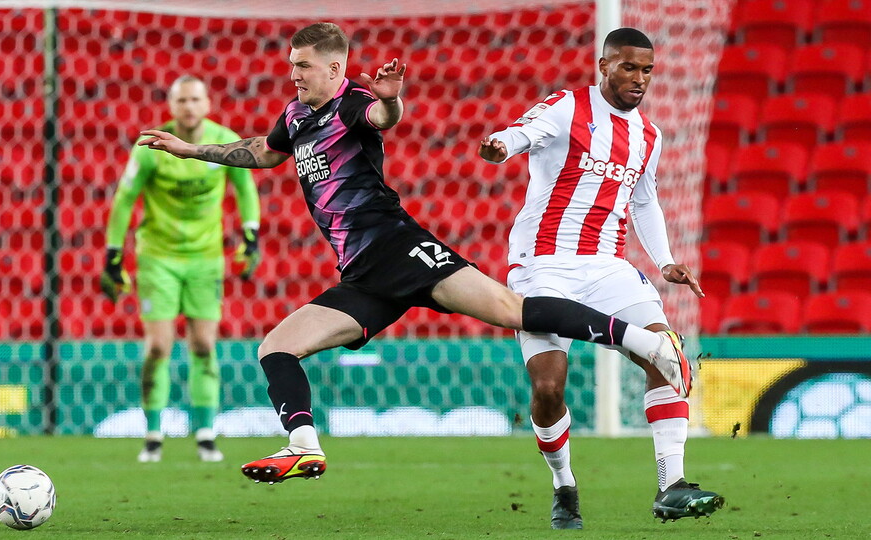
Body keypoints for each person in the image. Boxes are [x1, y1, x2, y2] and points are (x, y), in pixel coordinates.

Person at [138, 22, 691, 485]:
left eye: (303, 66)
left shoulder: (353, 102)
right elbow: (261, 152)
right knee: (276, 349)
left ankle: (642, 342)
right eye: (292, 65)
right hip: (362, 275)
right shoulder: (296, 116)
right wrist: (189, 150)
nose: (294, 74)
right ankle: (303, 444)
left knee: (511, 310)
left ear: (334, 69)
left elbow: (384, 119)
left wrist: (391, 98)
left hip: (399, 247)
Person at [478, 28, 723, 528]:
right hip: (543, 264)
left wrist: (666, 261)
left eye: (647, 70)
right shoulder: (568, 106)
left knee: (668, 356)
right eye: (628, 67)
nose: (639, 79)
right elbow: (523, 132)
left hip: (608, 265)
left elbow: (645, 200)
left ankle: (671, 485)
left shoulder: (648, 135)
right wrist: (501, 146)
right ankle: (564, 483)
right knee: (548, 388)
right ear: (603, 65)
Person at [101, 75, 261, 463]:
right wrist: (112, 252)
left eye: (195, 99)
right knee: (158, 346)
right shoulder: (153, 147)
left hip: (206, 259)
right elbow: (125, 199)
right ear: (172, 107)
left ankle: (206, 433)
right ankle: (153, 434)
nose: (189, 107)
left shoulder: (223, 142)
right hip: (158, 257)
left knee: (204, 346)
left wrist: (251, 233)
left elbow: (245, 189)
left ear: (207, 104)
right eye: (181, 100)